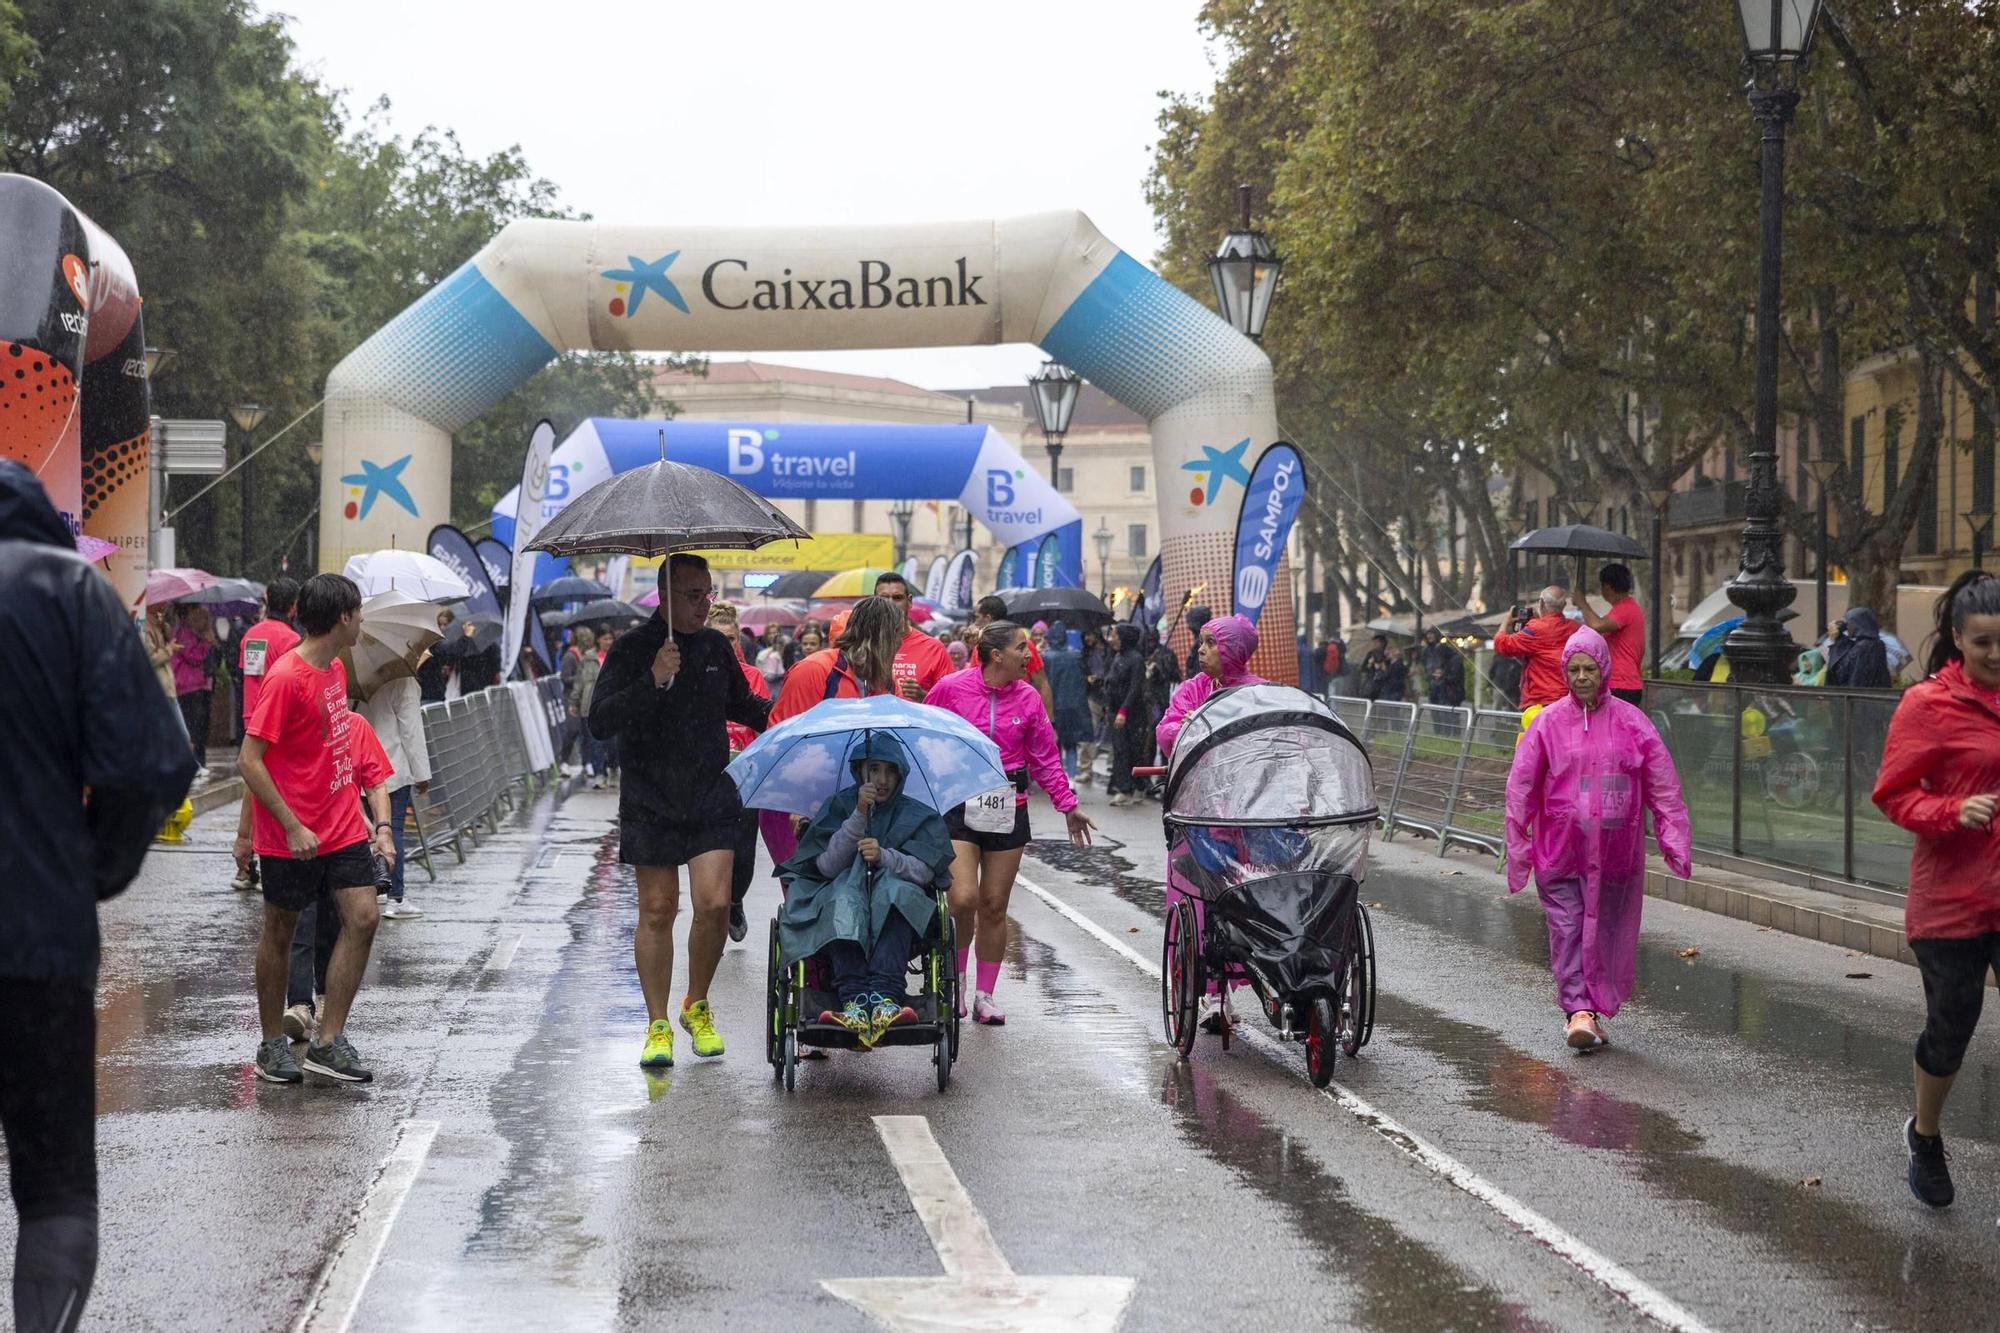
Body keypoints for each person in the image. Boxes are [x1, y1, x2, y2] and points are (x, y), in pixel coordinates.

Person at [0, 460, 195, 1333]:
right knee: (54, 1194)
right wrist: (89, 872)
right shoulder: (69, 593)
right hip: (35, 937)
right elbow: (150, 763)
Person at [588, 554, 770, 1067]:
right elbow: (600, 721)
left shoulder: (715, 647)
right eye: (693, 595)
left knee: (714, 904)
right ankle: (658, 1024)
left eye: (708, 594)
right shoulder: (631, 649)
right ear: (664, 596)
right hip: (650, 797)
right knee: (659, 909)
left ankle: (697, 1003)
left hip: (711, 793)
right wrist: (652, 678)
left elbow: (745, 706)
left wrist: (790, 710)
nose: (703, 604)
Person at [234, 574, 397, 1086]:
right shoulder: (286, 677)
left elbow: (331, 746)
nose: (363, 620)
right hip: (292, 834)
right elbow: (249, 760)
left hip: (342, 827)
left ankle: (328, 1041)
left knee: (364, 917)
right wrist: (288, 825)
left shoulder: (334, 669)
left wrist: (375, 823)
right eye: (359, 612)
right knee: (280, 931)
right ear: (343, 618)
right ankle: (270, 1045)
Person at [1871, 572, 2000, 1209]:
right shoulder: (1928, 704)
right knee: (1952, 1029)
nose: (1996, 654)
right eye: (1983, 643)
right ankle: (1925, 1135)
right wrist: (1953, 812)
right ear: (1957, 637)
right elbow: (1892, 794)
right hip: (1952, 901)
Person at [1503, 626, 1692, 1051]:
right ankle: (1578, 1011)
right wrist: (1519, 847)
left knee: (1607, 930)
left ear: (1604, 668)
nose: (1582, 677)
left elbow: (1663, 785)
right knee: (1568, 926)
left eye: (1590, 668)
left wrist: (1673, 838)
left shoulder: (1632, 722)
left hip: (1616, 855)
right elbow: (1521, 788)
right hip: (1560, 850)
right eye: (1574, 669)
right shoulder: (1548, 724)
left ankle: (1594, 1006)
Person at [925, 621, 1095, 1024]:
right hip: (959, 805)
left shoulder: (1029, 698)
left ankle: (985, 996)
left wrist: (1067, 805)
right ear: (997, 654)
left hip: (1008, 807)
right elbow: (924, 736)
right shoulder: (950, 689)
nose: (1029, 654)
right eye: (1022, 647)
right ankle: (957, 983)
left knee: (995, 905)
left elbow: (1045, 758)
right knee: (963, 898)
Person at [776, 734, 954, 1043]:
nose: (882, 779)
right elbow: (827, 866)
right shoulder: (839, 805)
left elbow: (925, 871)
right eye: (874, 769)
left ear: (901, 773)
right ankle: (854, 1001)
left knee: (897, 896)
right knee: (842, 902)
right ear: (860, 771)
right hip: (843, 891)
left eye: (890, 770)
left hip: (897, 898)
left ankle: (886, 998)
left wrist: (885, 856)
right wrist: (859, 814)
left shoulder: (917, 814)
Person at [1156, 614, 1265, 1033]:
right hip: (1198, 809)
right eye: (1200, 643)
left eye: (1209, 643)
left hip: (1249, 812)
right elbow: (1166, 729)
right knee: (1199, 898)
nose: (1200, 651)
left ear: (1233, 650)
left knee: (1246, 894)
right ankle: (1210, 992)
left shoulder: (1259, 694)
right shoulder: (1193, 690)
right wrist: (1180, 730)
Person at [230, 578, 302, 893]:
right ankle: (261, 855)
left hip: (251, 715)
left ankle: (248, 861)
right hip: (277, 721)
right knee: (271, 789)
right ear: (294, 606)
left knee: (256, 785)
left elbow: (248, 674)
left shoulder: (250, 636)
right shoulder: (291, 640)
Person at [709, 601, 773, 944]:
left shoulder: (753, 677)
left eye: (731, 638)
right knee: (710, 854)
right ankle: (711, 920)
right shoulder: (694, 670)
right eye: (718, 637)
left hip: (746, 776)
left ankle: (735, 900)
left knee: (744, 856)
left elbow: (764, 725)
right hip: (707, 778)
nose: (726, 645)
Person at [358, 657, 431, 921]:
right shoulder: (403, 678)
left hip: (361, 767)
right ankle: (396, 897)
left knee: (367, 832)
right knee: (392, 830)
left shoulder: (355, 673)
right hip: (393, 767)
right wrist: (422, 773)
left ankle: (371, 890)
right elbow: (411, 729)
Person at [1495, 586, 1580, 714]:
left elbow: (1501, 645)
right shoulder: (1574, 627)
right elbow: (1549, 636)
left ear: (1541, 603)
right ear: (1563, 605)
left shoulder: (1535, 630)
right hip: (1568, 700)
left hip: (1541, 703)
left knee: (1536, 734)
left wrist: (1506, 622)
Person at [1571, 564, 1646, 705]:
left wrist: (1582, 603)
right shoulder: (1626, 608)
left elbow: (1597, 625)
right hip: (1625, 683)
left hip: (1621, 684)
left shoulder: (1625, 608)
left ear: (1607, 587)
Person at [968, 594, 1053, 716]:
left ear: (988, 618)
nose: (975, 623)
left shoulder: (1025, 645)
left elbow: (1042, 683)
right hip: (983, 719)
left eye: (977, 617)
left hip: (1018, 717)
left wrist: (1049, 723)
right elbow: (973, 684)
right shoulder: (979, 647)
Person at [874, 571, 953, 699]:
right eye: (884, 598)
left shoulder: (934, 648)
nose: (890, 604)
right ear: (874, 602)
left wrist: (924, 697)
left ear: (909, 601)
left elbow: (951, 700)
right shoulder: (862, 646)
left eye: (897, 598)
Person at [1041, 619, 1094, 778]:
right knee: (1071, 745)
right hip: (1074, 706)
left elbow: (1043, 684)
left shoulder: (1045, 657)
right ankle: (1071, 779)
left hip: (1053, 707)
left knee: (1055, 745)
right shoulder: (1076, 655)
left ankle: (1059, 779)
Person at [1104, 624, 1149, 806]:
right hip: (1115, 711)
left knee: (1134, 750)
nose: (1112, 639)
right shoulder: (1118, 656)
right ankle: (1124, 787)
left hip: (1131, 713)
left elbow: (1134, 688)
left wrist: (1124, 710)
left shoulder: (1136, 659)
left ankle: (1137, 785)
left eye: (1115, 635)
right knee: (1120, 750)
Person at [171, 604, 218, 773]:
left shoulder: (184, 631)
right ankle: (194, 762)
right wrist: (206, 643)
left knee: (196, 726)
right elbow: (193, 656)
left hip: (190, 685)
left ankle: (198, 762)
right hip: (188, 685)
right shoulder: (185, 632)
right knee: (193, 727)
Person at [1826, 607, 1893, 689]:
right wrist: (1839, 639)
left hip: (1860, 699)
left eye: (1849, 623)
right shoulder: (1877, 644)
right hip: (1875, 697)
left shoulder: (1863, 647)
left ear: (1857, 624)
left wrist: (1837, 642)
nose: (1847, 628)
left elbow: (1844, 673)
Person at [1079, 626, 1110, 784]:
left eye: (1090, 634)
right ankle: (1086, 768)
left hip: (1109, 696)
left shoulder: (1109, 651)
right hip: (1093, 695)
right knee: (1088, 732)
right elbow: (1081, 671)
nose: (1087, 639)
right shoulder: (1085, 653)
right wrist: (1088, 678)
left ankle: (1114, 769)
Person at [1418, 627, 1465, 709]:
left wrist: (1443, 676)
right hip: (1435, 686)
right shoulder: (1426, 651)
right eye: (1428, 634)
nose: (1429, 636)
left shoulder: (1454, 660)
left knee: (1447, 714)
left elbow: (1455, 676)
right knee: (1436, 711)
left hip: (1449, 690)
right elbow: (1425, 666)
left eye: (1431, 634)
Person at [1183, 605, 1213, 678]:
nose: (1189, 627)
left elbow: (1199, 674)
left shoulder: (1203, 646)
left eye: (1190, 623)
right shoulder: (1205, 643)